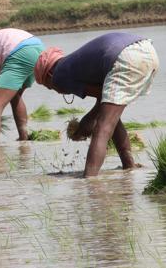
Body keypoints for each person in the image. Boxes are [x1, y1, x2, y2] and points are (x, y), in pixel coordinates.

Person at [34, 32, 159, 177]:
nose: (55, 89)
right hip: (148, 50)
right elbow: (104, 99)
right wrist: (88, 120)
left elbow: (100, 102)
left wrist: (86, 123)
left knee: (103, 126)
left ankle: (90, 181)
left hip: (126, 57)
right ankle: (129, 166)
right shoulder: (73, 64)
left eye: (49, 86)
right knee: (110, 118)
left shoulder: (58, 75)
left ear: (49, 75)